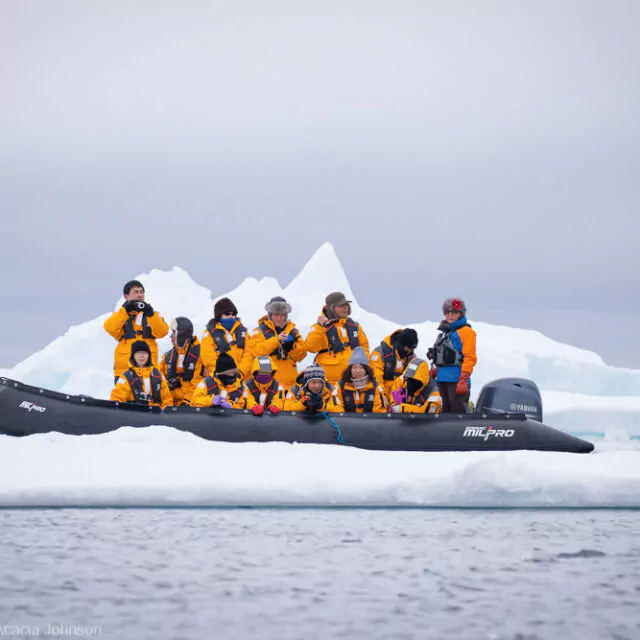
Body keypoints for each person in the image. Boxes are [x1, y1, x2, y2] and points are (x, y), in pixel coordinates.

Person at [104, 280, 169, 382]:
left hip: (148, 369)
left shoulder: (153, 315)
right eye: (136, 292)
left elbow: (163, 332)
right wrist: (125, 311)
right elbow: (109, 327)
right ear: (126, 296)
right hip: (125, 369)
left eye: (141, 292)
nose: (140, 295)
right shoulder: (120, 315)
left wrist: (150, 314)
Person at [304, 291, 370, 385]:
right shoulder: (319, 328)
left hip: (352, 381)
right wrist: (320, 327)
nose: (345, 308)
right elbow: (310, 347)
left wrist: (361, 368)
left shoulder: (354, 326)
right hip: (331, 382)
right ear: (332, 308)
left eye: (346, 304)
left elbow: (364, 348)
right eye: (341, 305)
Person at [427, 297, 477, 413]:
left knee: (456, 413)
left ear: (460, 313)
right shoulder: (445, 334)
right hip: (441, 380)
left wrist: (463, 379)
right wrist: (434, 371)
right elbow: (444, 358)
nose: (450, 315)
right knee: (443, 412)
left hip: (456, 380)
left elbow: (470, 357)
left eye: (454, 312)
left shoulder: (466, 332)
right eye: (447, 312)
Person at [249, 296, 307, 389]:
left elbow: (301, 356)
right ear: (270, 315)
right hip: (268, 385)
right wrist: (276, 340)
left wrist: (291, 346)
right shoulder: (259, 331)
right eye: (276, 315)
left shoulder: (294, 332)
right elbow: (255, 352)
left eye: (282, 315)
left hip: (290, 385)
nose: (279, 318)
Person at [110, 340, 173, 408]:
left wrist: (165, 413)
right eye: (138, 353)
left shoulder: (158, 375)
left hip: (156, 415)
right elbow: (117, 397)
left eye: (144, 353)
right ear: (133, 355)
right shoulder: (126, 377)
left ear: (149, 355)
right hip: (135, 414)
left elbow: (167, 399)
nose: (142, 355)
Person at [201, 297, 251, 379]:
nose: (231, 316)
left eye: (233, 314)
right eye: (227, 314)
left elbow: (249, 355)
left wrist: (240, 372)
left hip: (242, 380)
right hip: (220, 381)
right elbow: (208, 359)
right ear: (219, 315)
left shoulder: (243, 332)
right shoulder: (209, 334)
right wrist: (225, 374)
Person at [158, 317, 204, 406]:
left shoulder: (200, 355)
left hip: (191, 403)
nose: (171, 336)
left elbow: (199, 382)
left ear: (181, 334)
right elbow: (158, 376)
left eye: (174, 332)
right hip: (170, 402)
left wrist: (187, 401)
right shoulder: (168, 357)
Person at [370, 328, 419, 402]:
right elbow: (376, 380)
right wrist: (383, 397)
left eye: (412, 348)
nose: (410, 351)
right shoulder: (379, 354)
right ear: (402, 345)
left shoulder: (411, 357)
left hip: (401, 398)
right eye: (408, 348)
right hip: (382, 398)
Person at [336, 347, 387, 413]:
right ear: (350, 370)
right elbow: (337, 409)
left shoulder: (376, 387)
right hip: (346, 422)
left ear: (366, 370)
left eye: (361, 367)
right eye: (354, 367)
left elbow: (380, 412)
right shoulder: (340, 387)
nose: (357, 371)